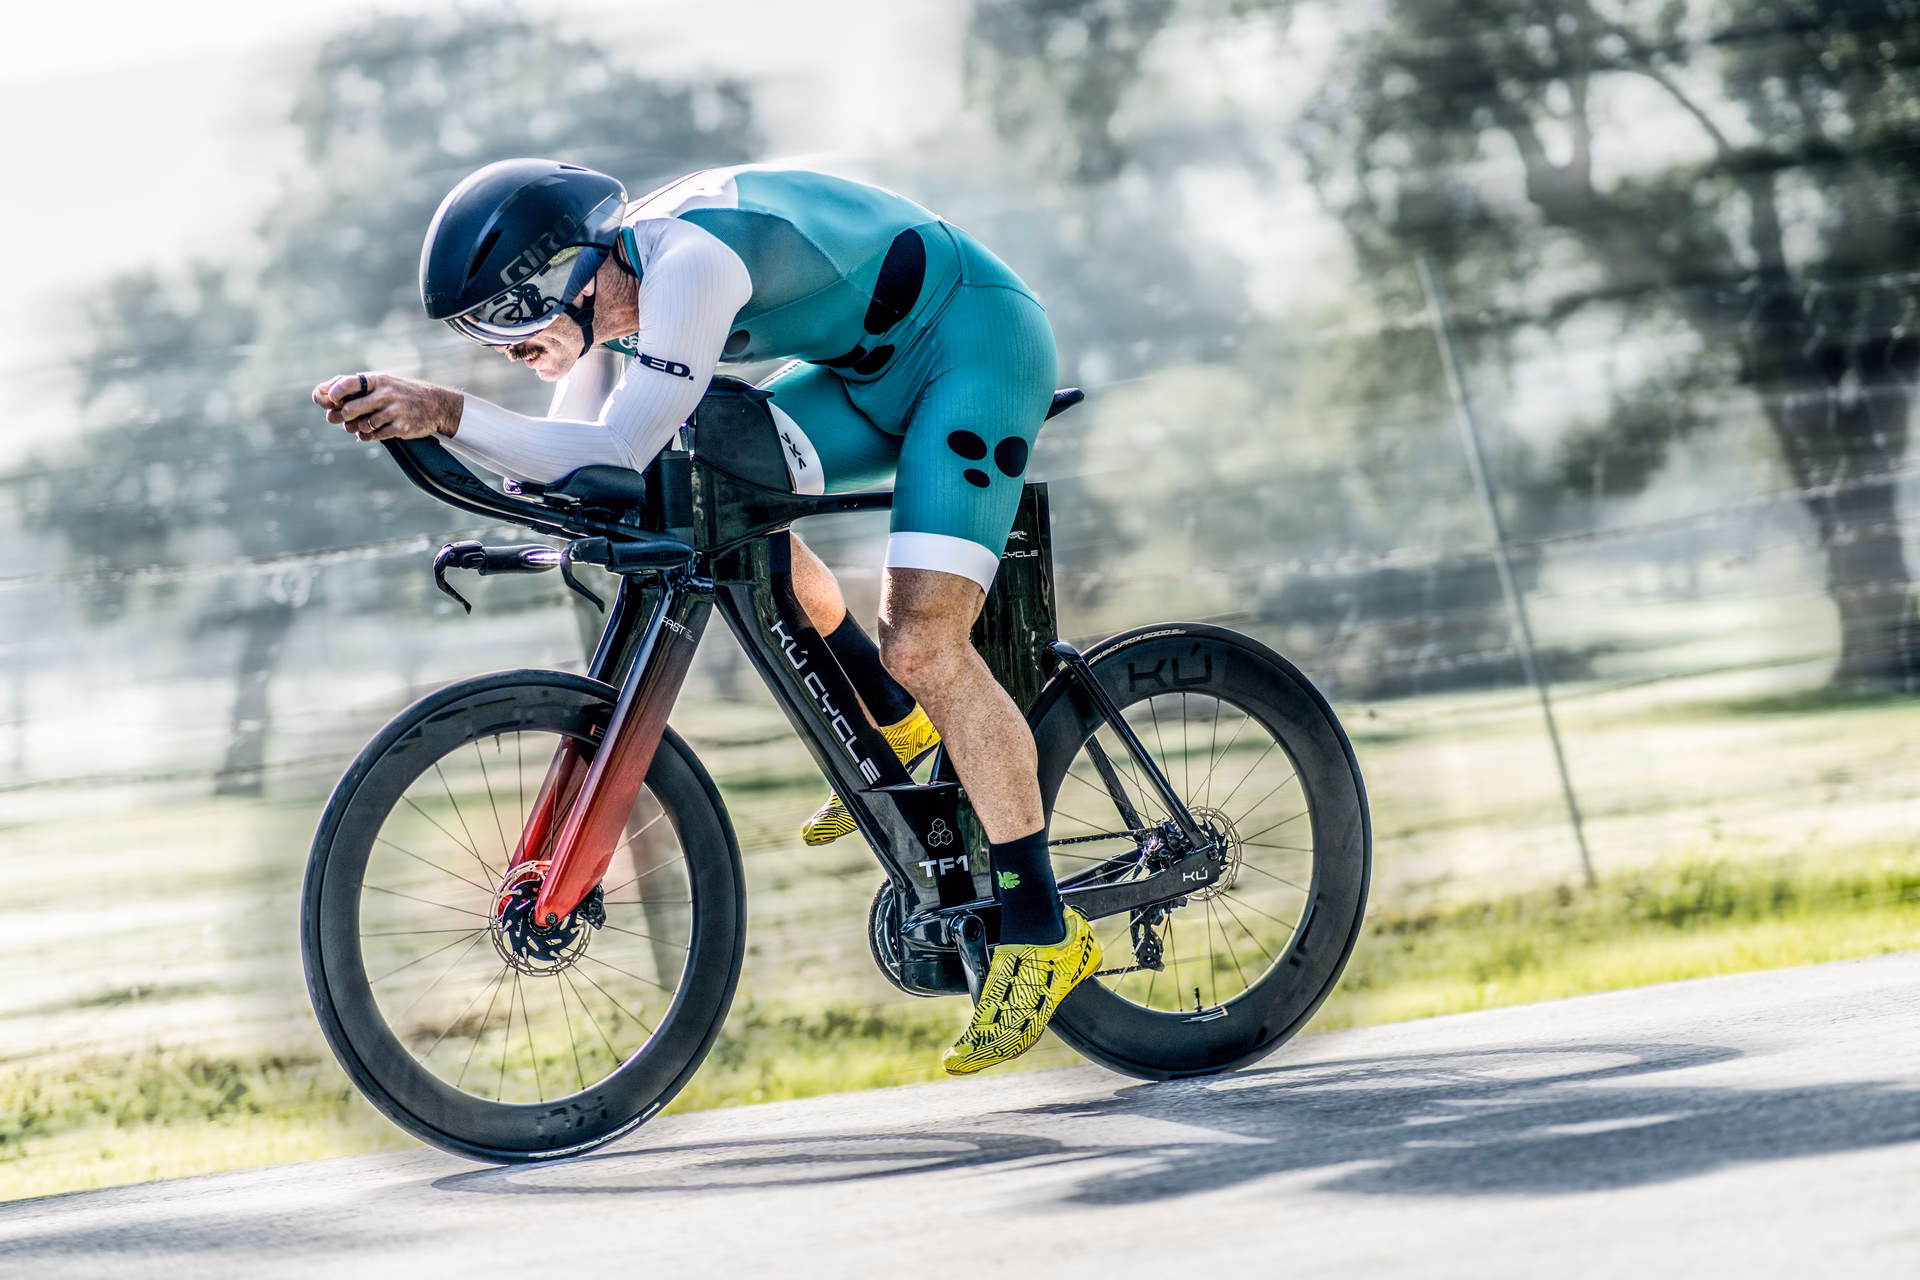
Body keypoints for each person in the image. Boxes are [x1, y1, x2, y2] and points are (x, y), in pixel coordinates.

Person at [312, 159, 1097, 1074]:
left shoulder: (688, 264)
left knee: (924, 643)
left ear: (574, 272)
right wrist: (450, 446)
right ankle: (892, 719)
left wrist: (446, 412)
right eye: (478, 329)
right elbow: (578, 466)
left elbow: (612, 447)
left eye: (510, 314)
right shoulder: (615, 306)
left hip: (975, 347)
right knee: (719, 490)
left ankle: (1042, 929)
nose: (503, 344)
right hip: (863, 372)